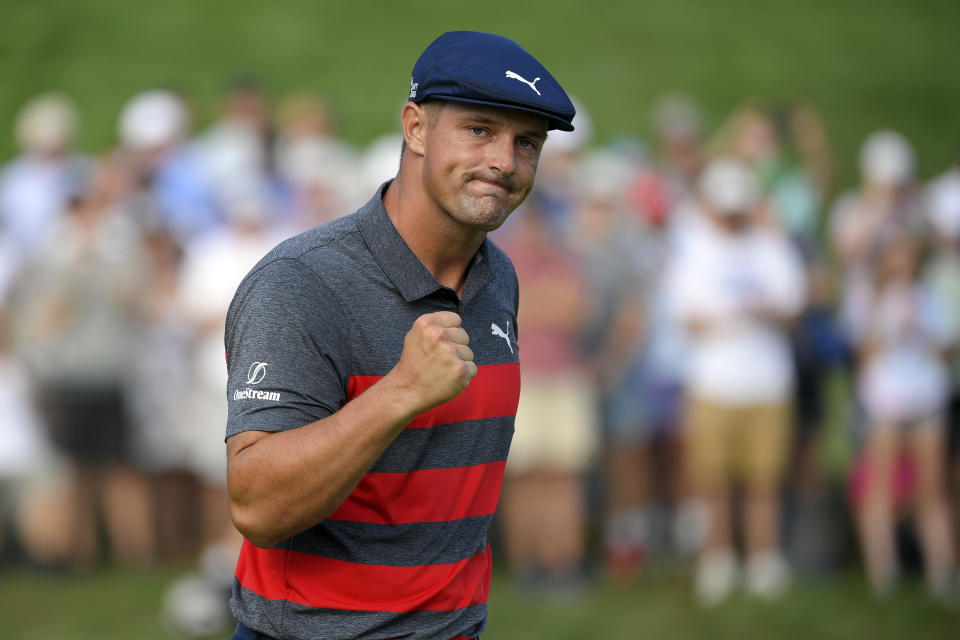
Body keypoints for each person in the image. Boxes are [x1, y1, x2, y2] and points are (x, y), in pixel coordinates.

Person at [223, 31, 575, 640]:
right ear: (414, 128)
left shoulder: (499, 278)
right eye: (479, 130)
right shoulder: (300, 283)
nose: (504, 161)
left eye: (527, 143)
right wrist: (399, 393)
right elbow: (257, 508)